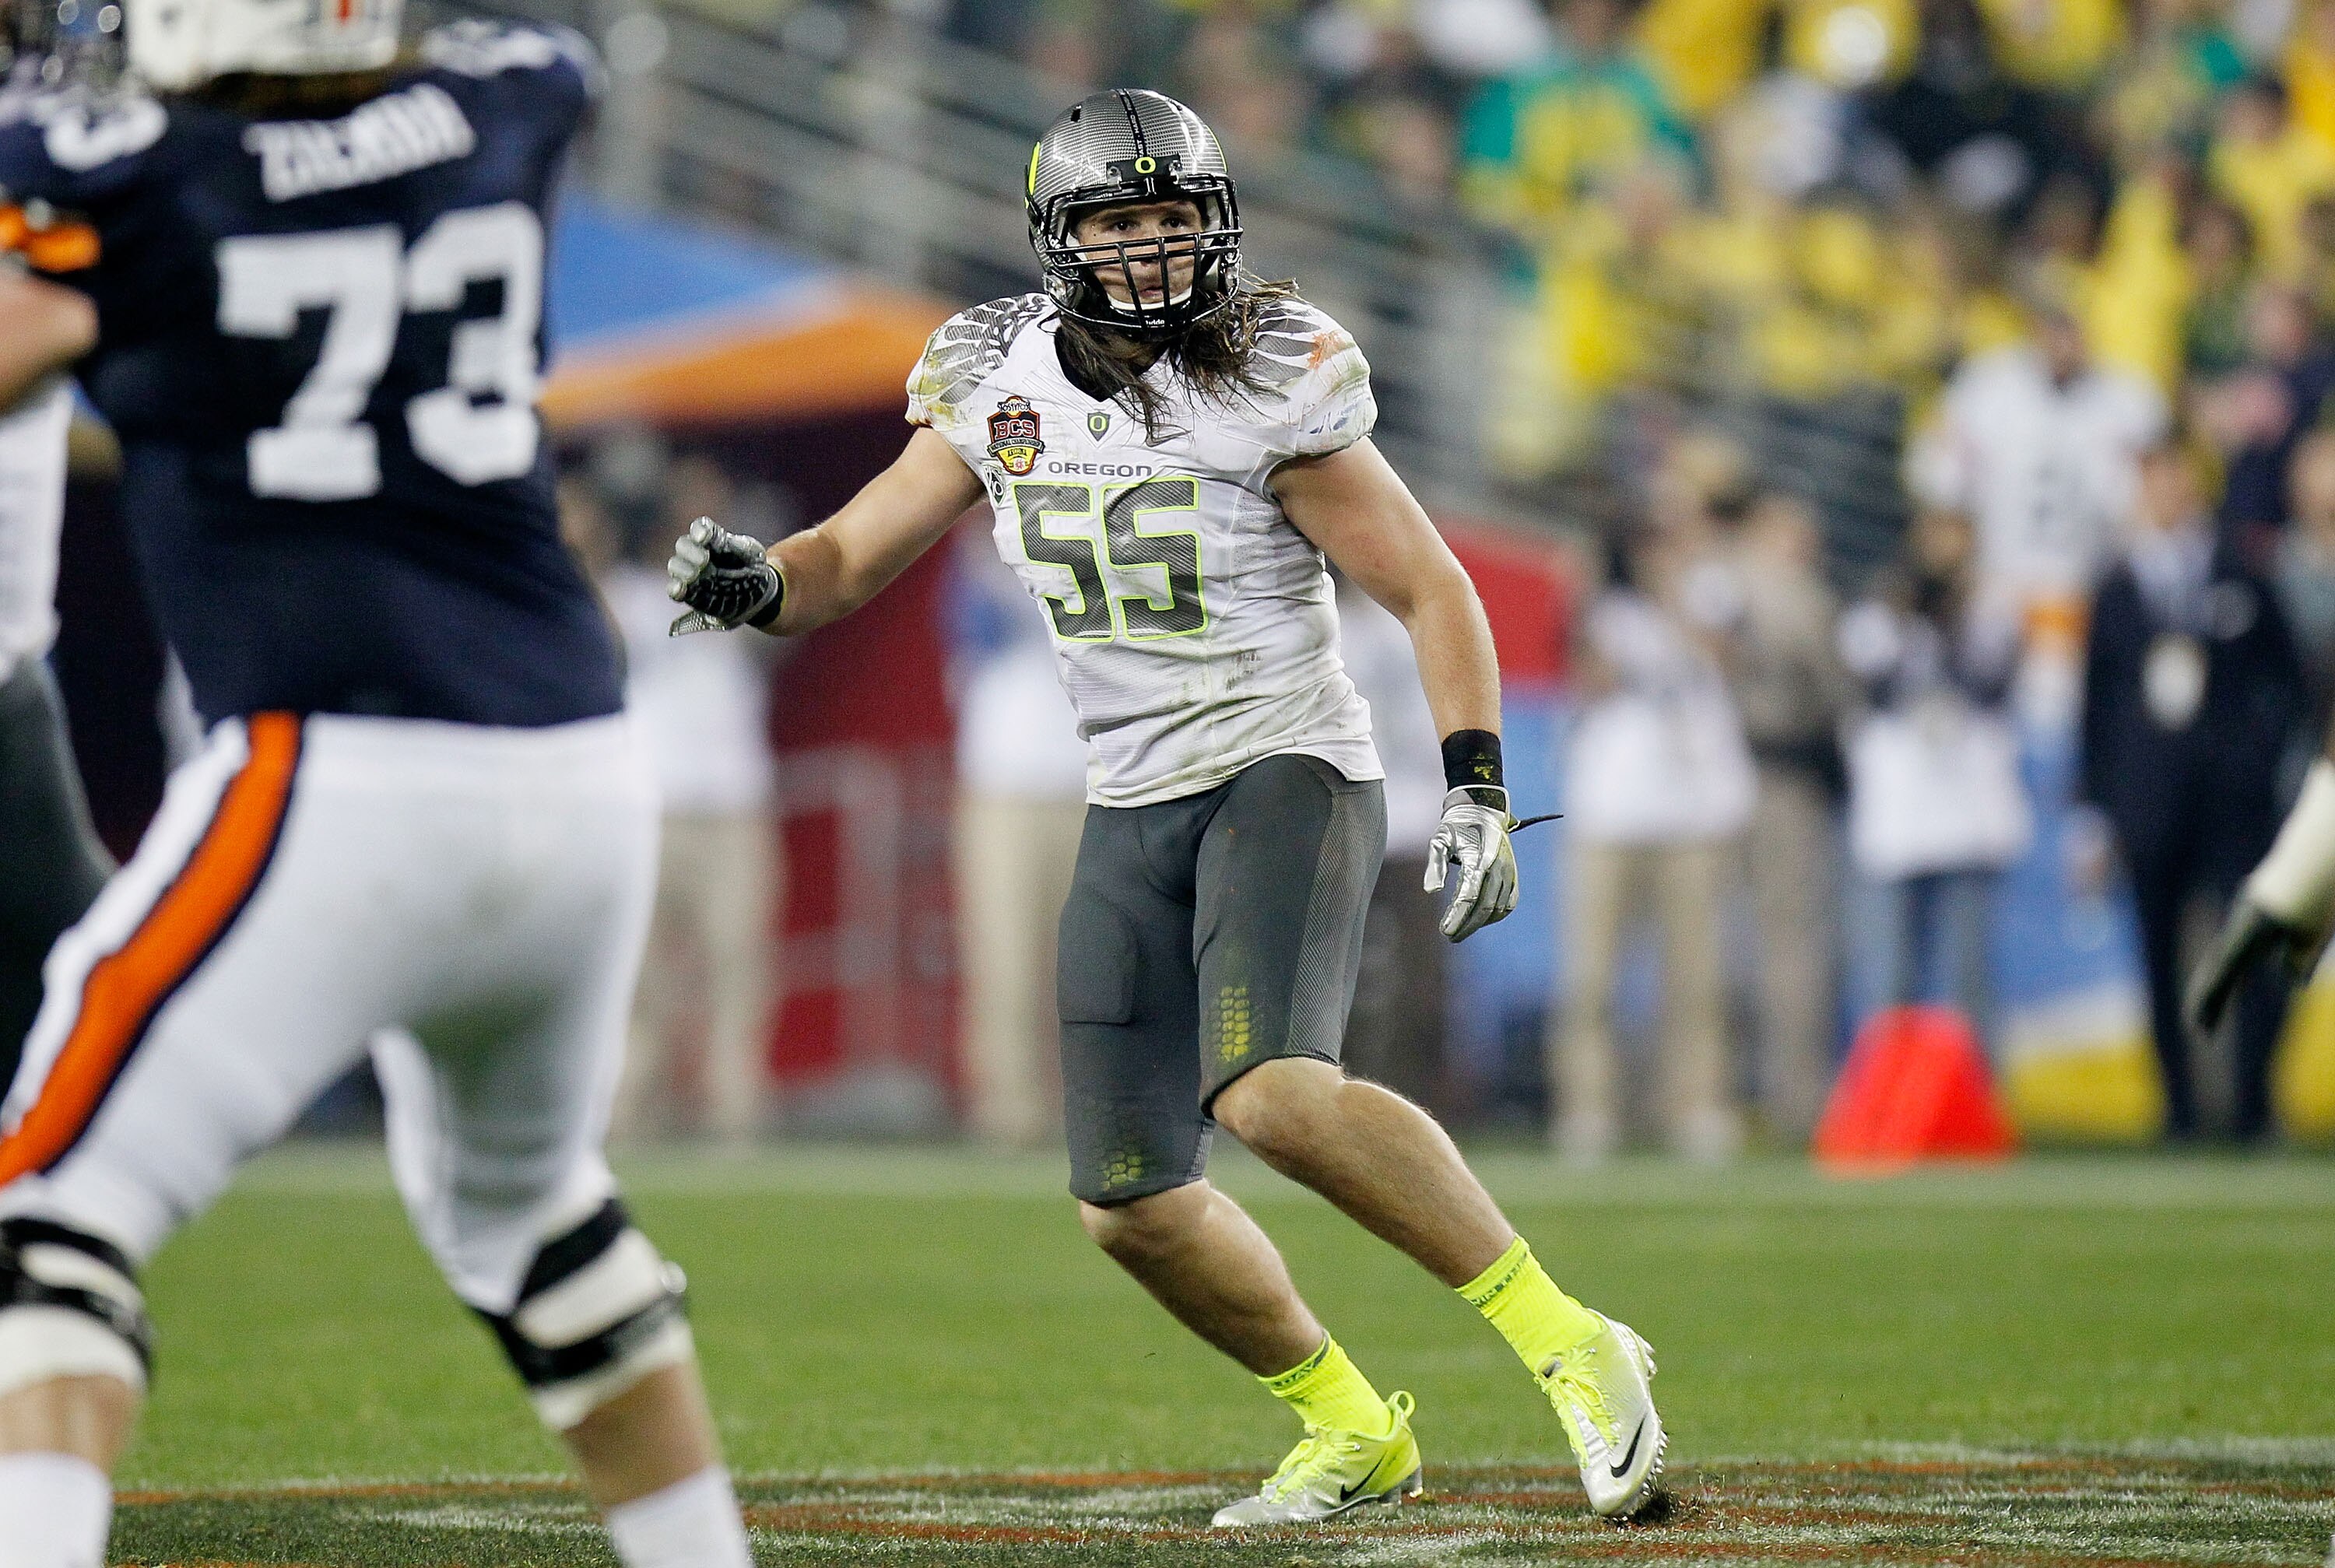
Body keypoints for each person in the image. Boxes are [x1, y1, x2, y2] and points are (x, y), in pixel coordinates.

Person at [667, 89, 1666, 1527]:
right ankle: (1350, 1428)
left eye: (1174, 218)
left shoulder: (1273, 371)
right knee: (1128, 1204)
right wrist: (764, 584)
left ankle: (1572, 1341)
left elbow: (1430, 584)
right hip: (1131, 793)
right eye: (1120, 223)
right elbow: (847, 554)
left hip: (1285, 764)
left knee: (1272, 1095)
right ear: (1058, 242)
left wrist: (1478, 785)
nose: (1153, 250)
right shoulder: (990, 373)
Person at [0, 6, 754, 1566]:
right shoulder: (515, 100)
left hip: (335, 774)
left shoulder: (120, 169)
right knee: (542, 1227)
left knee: (47, 1223)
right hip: (577, 778)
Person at [2084, 439, 2305, 1142]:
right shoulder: (2117, 585)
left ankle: (2249, 1102)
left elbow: (2291, 679)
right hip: (2150, 800)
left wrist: (2257, 755)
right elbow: (2097, 707)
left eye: (2173, 477)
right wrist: (2095, 810)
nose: (2163, 492)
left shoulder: (2239, 568)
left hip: (2232, 800)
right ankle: (2178, 1107)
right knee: (2156, 950)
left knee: (2251, 944)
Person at [594, 463, 781, 1145]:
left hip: (733, 801)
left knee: (738, 967)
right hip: (650, 804)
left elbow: (780, 636)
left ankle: (736, 1115)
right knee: (641, 979)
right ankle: (631, 1114)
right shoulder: (627, 591)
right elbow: (602, 642)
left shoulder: (744, 587)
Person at [1557, 523, 1755, 1164]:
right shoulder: (1605, 609)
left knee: (1695, 976)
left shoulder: (1711, 597)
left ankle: (1696, 1105)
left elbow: (1728, 665)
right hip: (1609, 811)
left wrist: (1674, 605)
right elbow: (1585, 678)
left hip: (1689, 813)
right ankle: (1589, 1109)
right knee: (1593, 976)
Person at [1838, 510, 2030, 1053]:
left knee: (1968, 971)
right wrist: (1911, 614)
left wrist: (1953, 618)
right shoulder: (1880, 608)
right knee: (1889, 971)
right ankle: (1889, 1105)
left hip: (1968, 809)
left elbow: (1990, 680)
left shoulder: (1992, 606)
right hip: (1899, 813)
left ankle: (1973, 1101)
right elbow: (1871, 680)